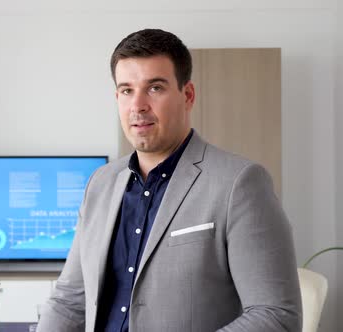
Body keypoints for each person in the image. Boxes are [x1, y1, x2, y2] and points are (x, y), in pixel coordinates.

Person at [37, 29, 302, 332]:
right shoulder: (100, 183)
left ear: (187, 95)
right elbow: (69, 300)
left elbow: (276, 315)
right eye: (126, 90)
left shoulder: (239, 183)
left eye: (154, 88)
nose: (138, 105)